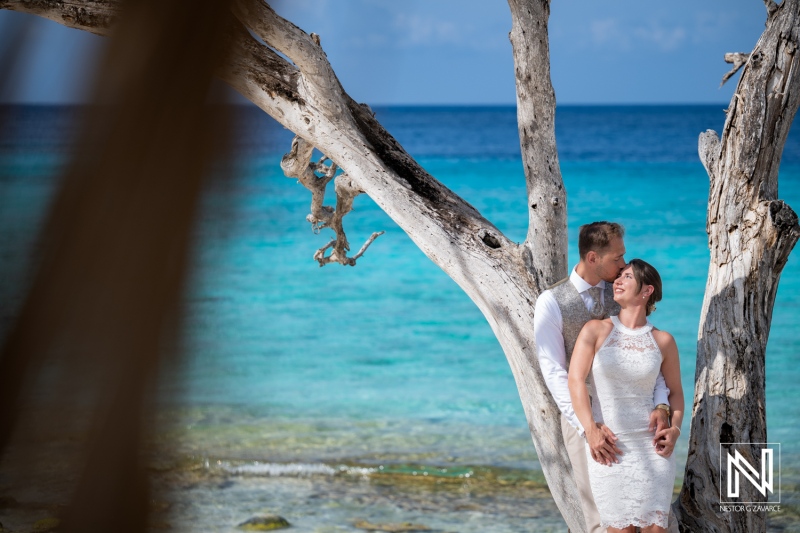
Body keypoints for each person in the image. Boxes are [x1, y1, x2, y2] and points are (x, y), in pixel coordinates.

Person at [533, 222, 673, 533]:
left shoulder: (623, 290)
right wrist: (588, 428)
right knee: (599, 519)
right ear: (593, 257)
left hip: (636, 421)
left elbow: (651, 357)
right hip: (582, 419)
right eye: (617, 258)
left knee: (655, 517)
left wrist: (662, 406)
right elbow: (554, 370)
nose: (624, 264)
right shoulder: (552, 301)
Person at [568, 259, 684, 532]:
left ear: (647, 291)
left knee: (656, 529)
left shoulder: (663, 340)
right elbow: (575, 381)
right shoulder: (595, 330)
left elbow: (676, 392)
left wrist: (675, 429)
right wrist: (590, 430)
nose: (617, 281)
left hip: (652, 449)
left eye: (627, 277)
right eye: (618, 275)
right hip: (609, 445)